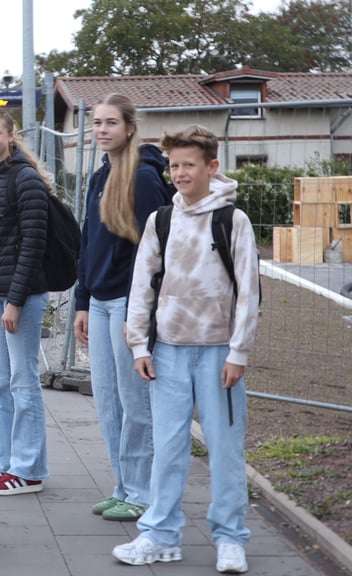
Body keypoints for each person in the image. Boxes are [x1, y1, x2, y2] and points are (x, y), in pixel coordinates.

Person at [113, 125, 259, 574]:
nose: (179, 173)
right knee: (169, 447)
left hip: (218, 354)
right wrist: (139, 344)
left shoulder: (232, 221)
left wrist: (239, 352)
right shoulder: (162, 220)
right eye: (174, 165)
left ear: (211, 167)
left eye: (188, 165)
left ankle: (231, 538)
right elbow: (142, 286)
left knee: (225, 448)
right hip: (169, 352)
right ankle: (160, 533)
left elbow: (250, 292)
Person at [72, 93, 171, 521]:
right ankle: (123, 485)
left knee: (136, 404)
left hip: (127, 304)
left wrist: (138, 308)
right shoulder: (100, 176)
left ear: (130, 128)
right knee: (108, 403)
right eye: (96, 123)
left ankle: (144, 492)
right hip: (97, 302)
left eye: (110, 123)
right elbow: (87, 242)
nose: (102, 130)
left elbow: (153, 250)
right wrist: (80, 300)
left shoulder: (145, 178)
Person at [0, 107, 50, 496]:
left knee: (24, 382)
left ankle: (30, 469)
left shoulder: (25, 179)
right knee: (1, 383)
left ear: (10, 135)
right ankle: (6, 461)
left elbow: (33, 245)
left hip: (21, 297)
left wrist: (15, 301)